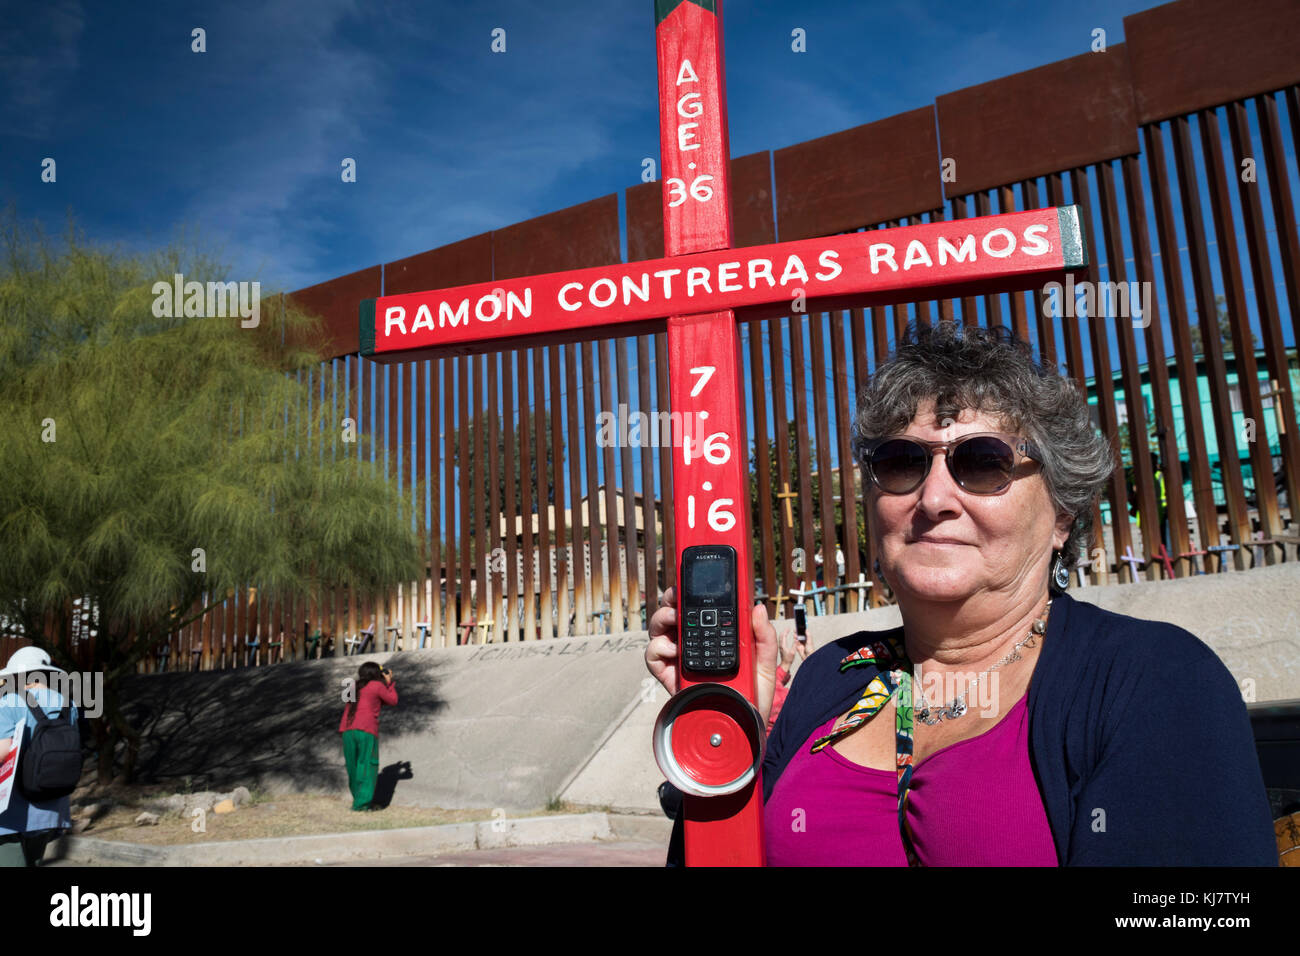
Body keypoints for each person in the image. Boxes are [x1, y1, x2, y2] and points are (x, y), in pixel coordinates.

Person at [646, 320, 1276, 866]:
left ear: (1062, 513)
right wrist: (727, 731)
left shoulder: (1152, 678)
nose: (934, 499)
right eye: (902, 462)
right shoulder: (829, 676)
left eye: (982, 462)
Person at [0, 647, 79, 867]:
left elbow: (3, 750)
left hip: (11, 810)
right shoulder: (68, 705)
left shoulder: (8, 703)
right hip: (51, 804)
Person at [338, 662, 397, 811]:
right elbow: (392, 700)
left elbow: (349, 703)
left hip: (347, 729)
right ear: (376, 673)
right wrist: (389, 683)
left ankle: (358, 799)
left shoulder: (350, 685)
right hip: (366, 729)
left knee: (352, 766)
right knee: (367, 765)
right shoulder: (377, 686)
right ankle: (362, 805)